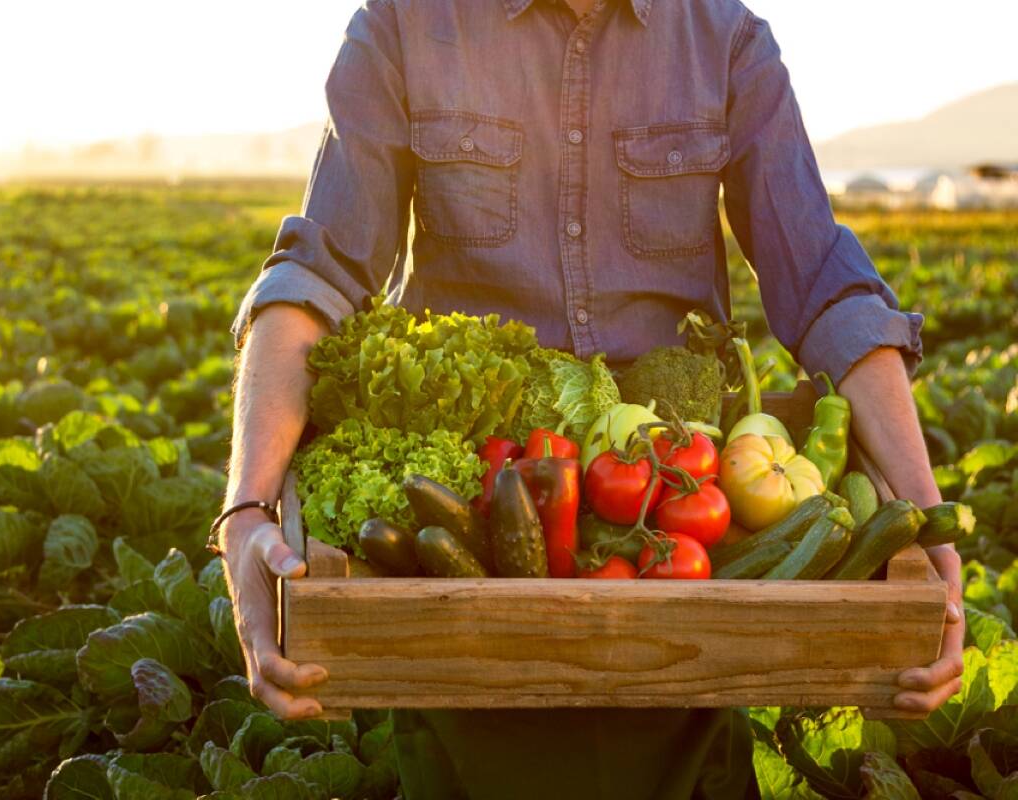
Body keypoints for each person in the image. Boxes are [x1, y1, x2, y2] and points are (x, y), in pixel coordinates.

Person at [213, 0, 965, 796]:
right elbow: (315, 275)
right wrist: (246, 510)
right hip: (466, 539)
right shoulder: (405, 25)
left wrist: (926, 530)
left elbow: (826, 289)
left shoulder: (726, 40)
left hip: (677, 526)